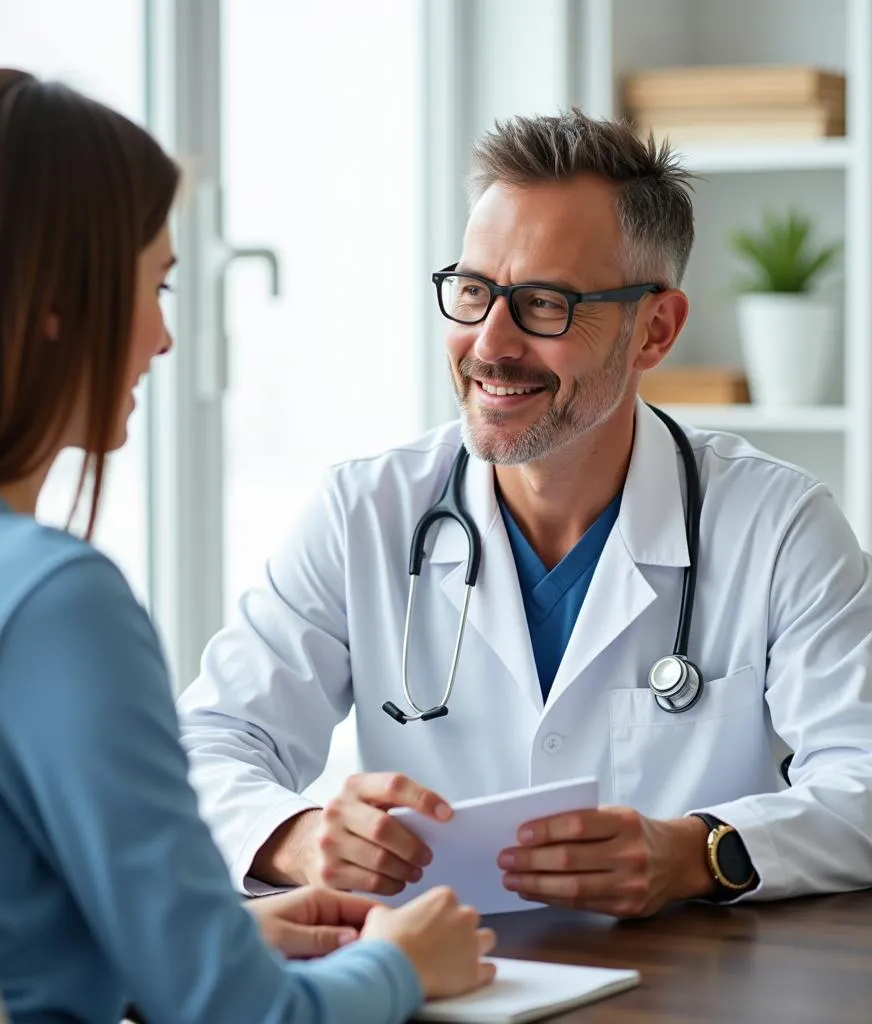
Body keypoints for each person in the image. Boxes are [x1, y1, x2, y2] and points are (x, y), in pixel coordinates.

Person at [0, 68, 497, 1024]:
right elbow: (234, 1015)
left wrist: (214, 941)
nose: (163, 338)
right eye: (154, 286)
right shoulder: (46, 602)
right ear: (54, 306)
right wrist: (403, 962)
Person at [179, 109, 872, 918]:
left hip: (686, 988)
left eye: (544, 303)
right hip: (434, 979)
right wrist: (296, 836)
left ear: (656, 329)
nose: (489, 343)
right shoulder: (363, 513)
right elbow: (204, 746)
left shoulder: (778, 525)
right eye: (473, 292)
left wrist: (694, 852)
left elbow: (861, 779)